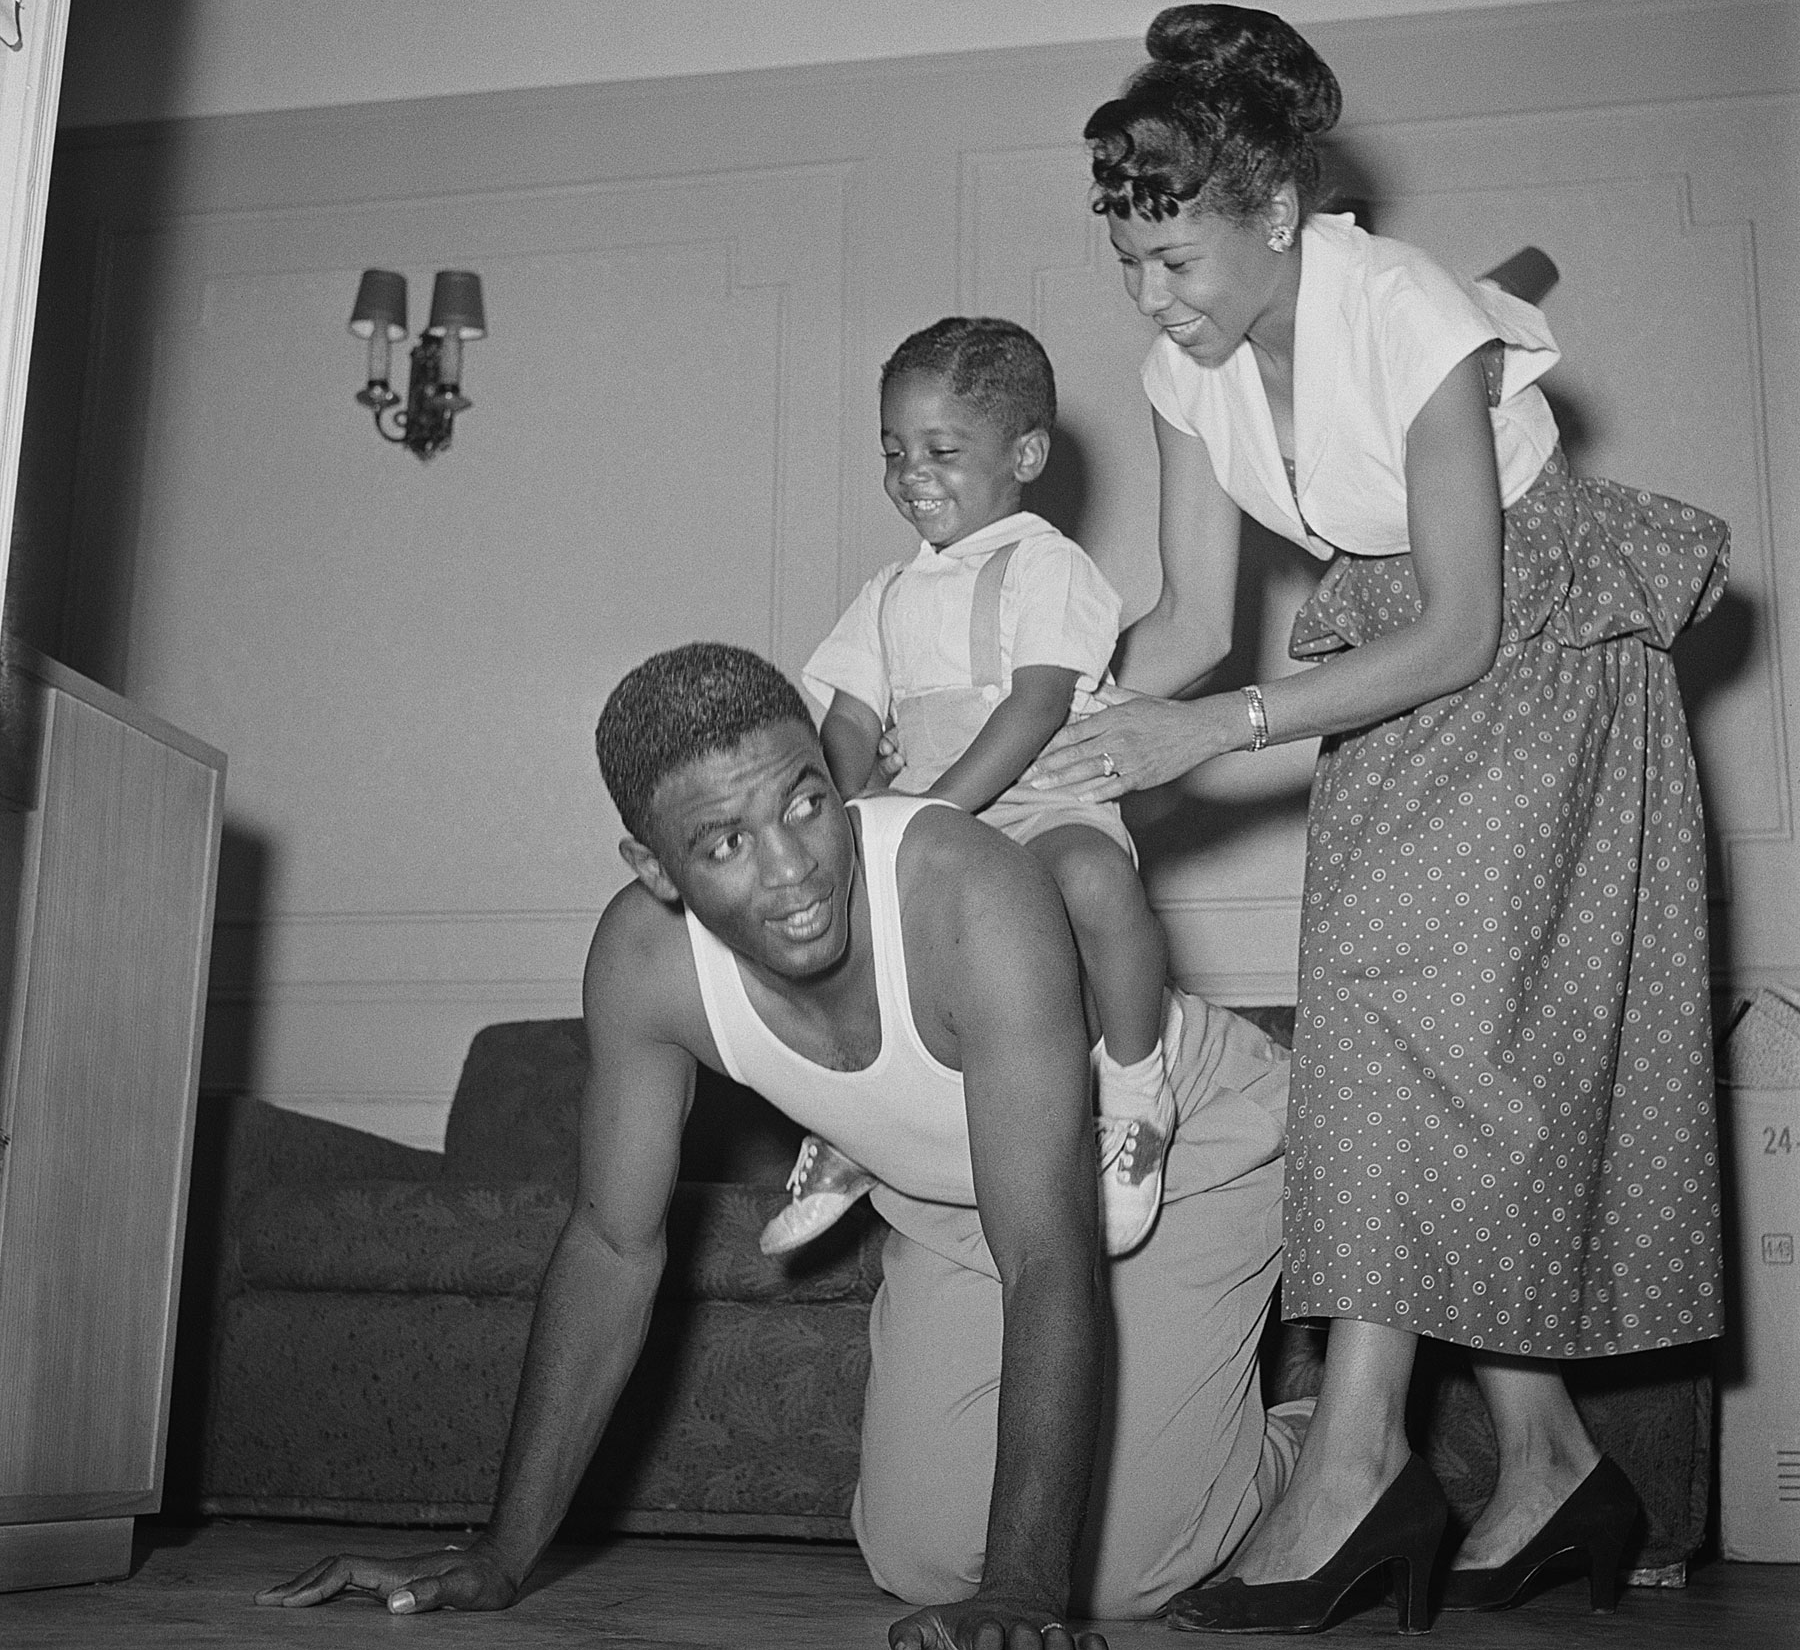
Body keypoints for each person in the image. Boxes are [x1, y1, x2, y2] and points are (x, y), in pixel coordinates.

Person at [1030, 4, 1729, 1635]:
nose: (1153, 298)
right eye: (1128, 261)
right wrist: (1067, 721)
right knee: (1421, 1058)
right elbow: (1195, 618)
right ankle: (1549, 1458)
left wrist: (1217, 724)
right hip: (1383, 683)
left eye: (1178, 259)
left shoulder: (1409, 307)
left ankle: (1355, 1472)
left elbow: (1463, 624)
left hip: (1539, 667)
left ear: (1275, 213)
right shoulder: (1181, 371)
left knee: (1420, 1048)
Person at [255, 642, 1306, 1643]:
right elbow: (613, 1248)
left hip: (1171, 1143)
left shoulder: (970, 890)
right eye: (725, 843)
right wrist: (501, 1550)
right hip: (948, 1199)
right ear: (654, 867)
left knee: (1117, 1574)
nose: (795, 867)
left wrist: (1029, 1588)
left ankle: (1326, 1436)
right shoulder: (641, 963)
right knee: (920, 1561)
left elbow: (1046, 1253)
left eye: (807, 802)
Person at [766, 316, 1173, 1260]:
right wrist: (861, 796)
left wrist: (934, 810)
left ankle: (1137, 1081)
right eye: (894, 450)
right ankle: (854, 1121)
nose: (913, 472)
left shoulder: (1046, 565)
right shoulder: (888, 593)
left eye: (942, 451)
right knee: (861, 942)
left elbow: (1034, 707)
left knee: (1098, 883)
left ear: (1024, 452)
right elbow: (850, 718)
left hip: (1038, 802)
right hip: (927, 820)